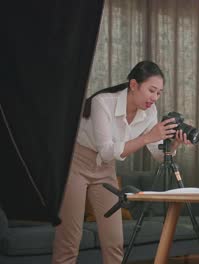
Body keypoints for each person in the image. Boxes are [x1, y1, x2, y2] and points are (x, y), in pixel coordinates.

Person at [52, 61, 191, 264]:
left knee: (114, 241)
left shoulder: (149, 113)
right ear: (134, 85)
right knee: (70, 240)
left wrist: (174, 145)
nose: (154, 98)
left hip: (105, 170)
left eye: (159, 93)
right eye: (151, 90)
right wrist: (147, 137)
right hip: (76, 164)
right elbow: (107, 151)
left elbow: (159, 155)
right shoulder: (103, 102)